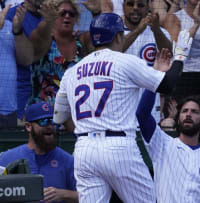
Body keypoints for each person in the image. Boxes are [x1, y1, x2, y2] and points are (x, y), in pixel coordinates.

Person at [53, 13, 189, 202]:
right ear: (118, 36)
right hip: (118, 146)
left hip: (84, 149)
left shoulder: (72, 71)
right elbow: (167, 85)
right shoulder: (125, 61)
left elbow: (58, 117)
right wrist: (180, 56)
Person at [136, 90, 200, 202]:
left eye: (194, 112)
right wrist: (153, 81)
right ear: (178, 120)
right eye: (184, 111)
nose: (188, 114)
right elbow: (142, 115)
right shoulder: (162, 144)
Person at [0, 102, 78, 203]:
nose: (49, 126)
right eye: (43, 121)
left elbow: (87, 196)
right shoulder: (7, 158)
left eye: (52, 121)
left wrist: (63, 194)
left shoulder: (68, 161)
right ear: (28, 126)